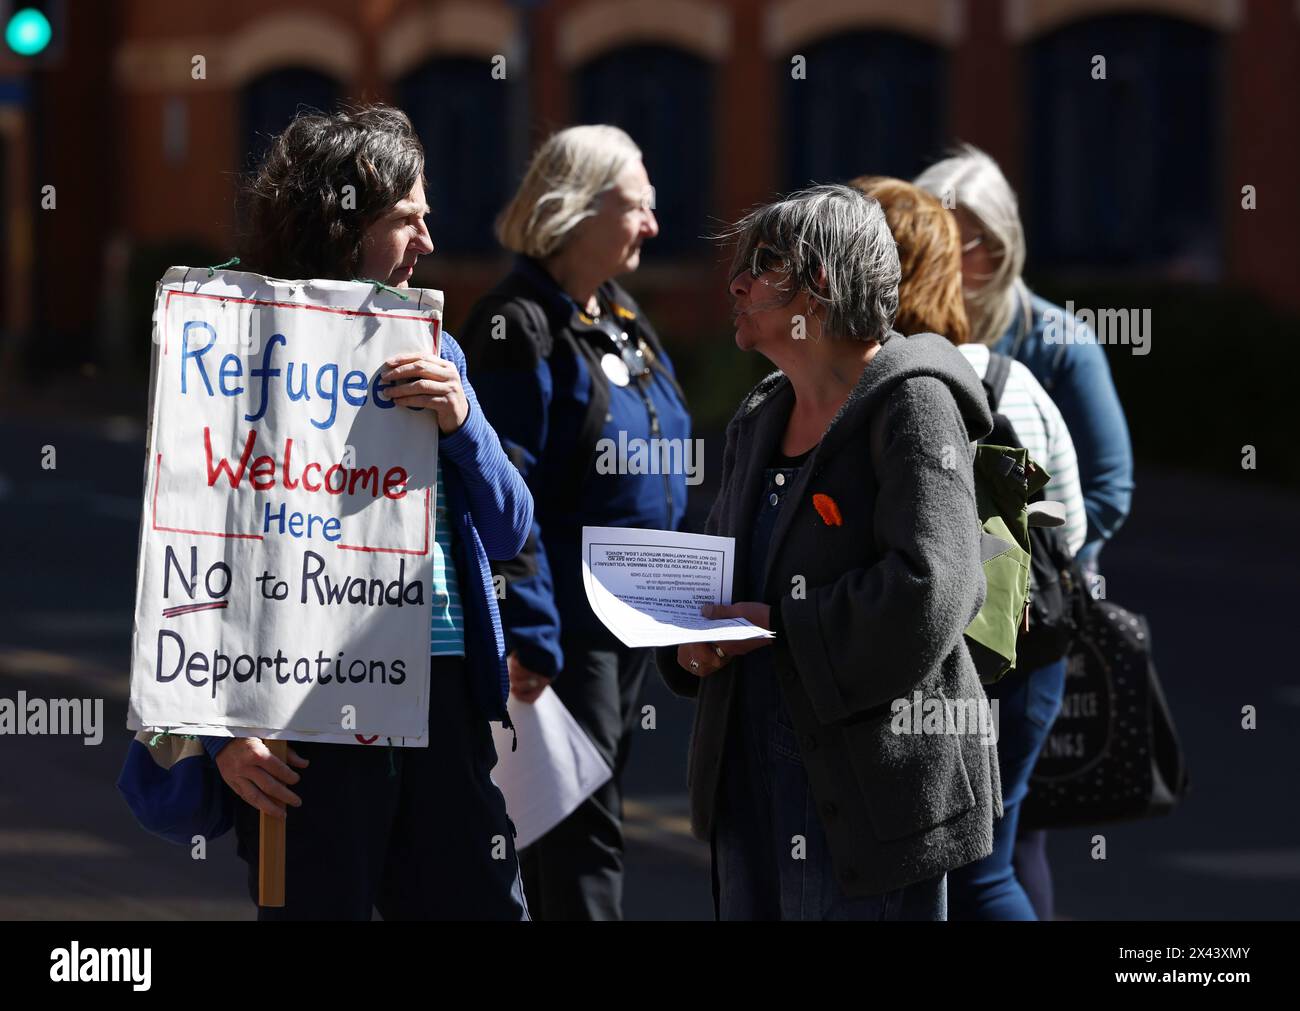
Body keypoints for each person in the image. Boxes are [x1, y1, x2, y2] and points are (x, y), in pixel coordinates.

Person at [201, 104, 534, 920]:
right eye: (406, 220)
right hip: (305, 709)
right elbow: (187, 546)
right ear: (340, 224)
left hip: (441, 696)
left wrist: (465, 427)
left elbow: (510, 526)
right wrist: (217, 733)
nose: (426, 242)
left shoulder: (436, 349)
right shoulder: (235, 346)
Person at [660, 183, 1001, 921]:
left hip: (867, 792)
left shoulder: (913, 403)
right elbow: (723, 570)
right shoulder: (760, 414)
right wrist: (690, 639)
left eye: (762, 263)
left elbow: (934, 586)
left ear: (819, 283)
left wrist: (781, 629)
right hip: (748, 774)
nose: (737, 282)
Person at [459, 125, 691, 920]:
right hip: (568, 633)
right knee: (577, 842)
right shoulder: (516, 324)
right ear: (578, 209)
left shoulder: (619, 312)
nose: (652, 226)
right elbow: (500, 489)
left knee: (591, 831)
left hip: (633, 621)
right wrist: (530, 631)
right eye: (637, 208)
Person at [854, 175, 1086, 919]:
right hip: (1025, 652)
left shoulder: (878, 387)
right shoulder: (1010, 378)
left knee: (957, 870)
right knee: (992, 860)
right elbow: (1073, 528)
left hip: (935, 664)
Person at [916, 144, 1135, 920]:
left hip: (1033, 615)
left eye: (963, 236)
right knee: (980, 847)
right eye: (933, 232)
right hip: (951, 623)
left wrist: (1029, 557)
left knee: (1008, 839)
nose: (945, 253)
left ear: (1000, 247)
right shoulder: (915, 338)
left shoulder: (1056, 342)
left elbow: (1106, 490)